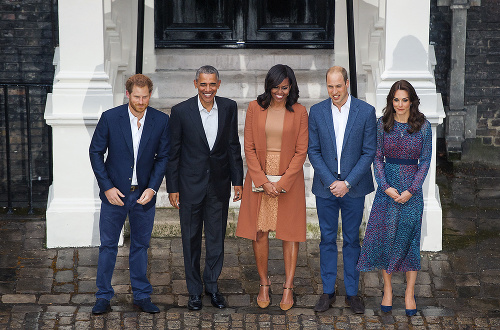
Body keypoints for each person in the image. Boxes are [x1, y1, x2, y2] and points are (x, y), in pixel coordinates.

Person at [89, 74, 170, 314]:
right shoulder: (110, 118)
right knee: (108, 246)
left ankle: (142, 295)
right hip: (114, 194)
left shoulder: (161, 120)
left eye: (145, 97)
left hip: (143, 195)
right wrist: (107, 187)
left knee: (141, 246)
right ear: (128, 94)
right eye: (137, 96)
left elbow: (163, 157)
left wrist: (152, 188)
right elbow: (95, 152)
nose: (141, 101)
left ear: (150, 95)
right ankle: (103, 296)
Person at [166, 65, 244, 311]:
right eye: (203, 84)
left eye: (212, 84)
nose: (207, 89)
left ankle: (212, 286)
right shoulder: (180, 111)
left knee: (216, 239)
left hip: (219, 185)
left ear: (218, 84)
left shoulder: (229, 107)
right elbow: (173, 152)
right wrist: (173, 187)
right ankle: (194, 291)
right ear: (195, 84)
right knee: (190, 240)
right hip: (189, 186)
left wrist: (238, 180)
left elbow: (233, 146)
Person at [356, 80, 432, 316]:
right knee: (387, 239)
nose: (400, 104)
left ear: (412, 101)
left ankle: (409, 293)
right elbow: (377, 158)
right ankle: (387, 290)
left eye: (405, 100)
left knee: (409, 241)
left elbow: (426, 160)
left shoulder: (424, 126)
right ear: (391, 101)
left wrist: (412, 189)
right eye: (396, 99)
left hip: (412, 191)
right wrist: (385, 186)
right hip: (387, 191)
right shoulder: (382, 125)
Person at [236, 64, 308, 311]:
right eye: (275, 87)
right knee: (260, 230)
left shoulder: (299, 112)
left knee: (290, 233)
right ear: (269, 86)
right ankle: (264, 283)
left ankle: (288, 287)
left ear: (291, 87)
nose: (279, 92)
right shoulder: (255, 108)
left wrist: (282, 182)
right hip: (260, 177)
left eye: (284, 87)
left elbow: (301, 151)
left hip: (289, 178)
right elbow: (249, 148)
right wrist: (263, 181)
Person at [308, 66, 376, 314]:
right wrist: (331, 182)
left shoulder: (366, 112)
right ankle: (328, 291)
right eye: (330, 86)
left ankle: (352, 292)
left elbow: (369, 151)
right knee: (326, 239)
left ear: (347, 84)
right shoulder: (316, 112)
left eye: (338, 86)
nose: (334, 91)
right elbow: (312, 151)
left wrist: (346, 183)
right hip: (326, 188)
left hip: (353, 188)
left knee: (351, 240)